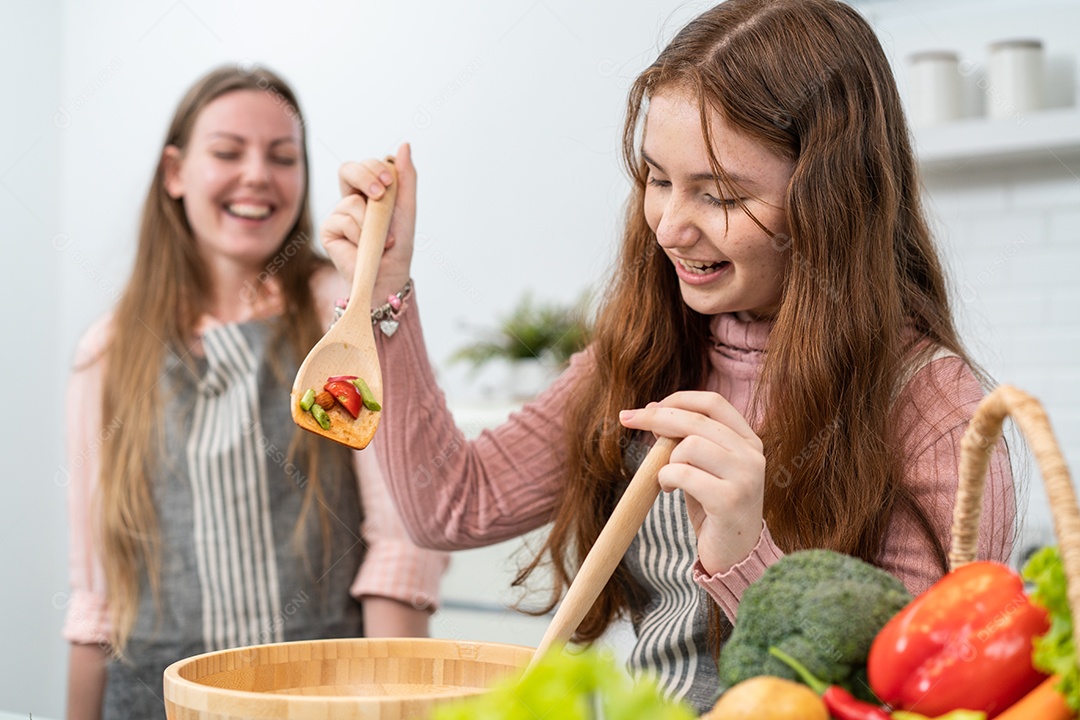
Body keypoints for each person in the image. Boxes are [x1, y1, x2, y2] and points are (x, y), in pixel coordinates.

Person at [322, 0, 1016, 713]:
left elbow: (917, 699)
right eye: (658, 180)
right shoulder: (648, 349)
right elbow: (451, 505)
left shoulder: (939, 413)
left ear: (832, 201)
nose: (670, 228)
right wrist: (383, 294)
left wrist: (747, 552)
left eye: (719, 196)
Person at [62, 65, 449, 720]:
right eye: (227, 152)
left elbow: (402, 541)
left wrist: (393, 707)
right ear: (176, 173)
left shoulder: (342, 312)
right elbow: (96, 595)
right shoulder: (108, 351)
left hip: (324, 697)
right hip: (150, 700)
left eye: (282, 157)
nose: (257, 175)